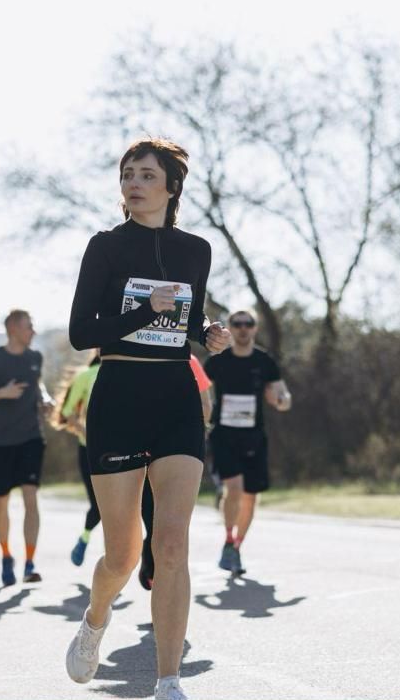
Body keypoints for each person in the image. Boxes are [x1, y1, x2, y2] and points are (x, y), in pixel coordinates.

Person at [64, 138, 229, 700]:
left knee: (173, 543)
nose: (134, 183)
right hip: (119, 396)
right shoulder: (105, 247)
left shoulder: (195, 250)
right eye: (127, 174)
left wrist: (206, 334)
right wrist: (141, 310)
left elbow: (186, 318)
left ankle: (168, 680)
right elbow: (82, 332)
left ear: (171, 187)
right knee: (121, 553)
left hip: (175, 396)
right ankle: (96, 616)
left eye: (146, 175)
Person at [0, 309, 55, 586]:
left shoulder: (35, 358)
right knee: (1, 500)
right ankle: (6, 556)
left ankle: (30, 563)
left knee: (31, 497)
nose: (34, 331)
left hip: (31, 437)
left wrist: (45, 398)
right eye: (29, 326)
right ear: (14, 328)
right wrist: (1, 393)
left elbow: (37, 386)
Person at [204, 310, 290, 577]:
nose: (243, 328)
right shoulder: (218, 361)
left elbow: (283, 394)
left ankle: (236, 548)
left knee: (251, 498)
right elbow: (201, 391)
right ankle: (229, 539)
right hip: (224, 435)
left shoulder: (265, 361)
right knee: (235, 489)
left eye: (248, 323)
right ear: (229, 328)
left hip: (254, 437)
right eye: (237, 324)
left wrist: (281, 400)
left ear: (255, 328)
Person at [137, 355, 212, 591]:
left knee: (166, 524)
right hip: (144, 452)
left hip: (176, 452)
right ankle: (150, 565)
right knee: (158, 521)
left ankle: (161, 587)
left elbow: (206, 406)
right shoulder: (138, 353)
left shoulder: (189, 361)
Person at [55, 350, 102, 567]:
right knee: (99, 505)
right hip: (89, 450)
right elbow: (67, 412)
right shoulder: (86, 375)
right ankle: (84, 538)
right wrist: (86, 431)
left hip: (123, 451)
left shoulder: (131, 371)